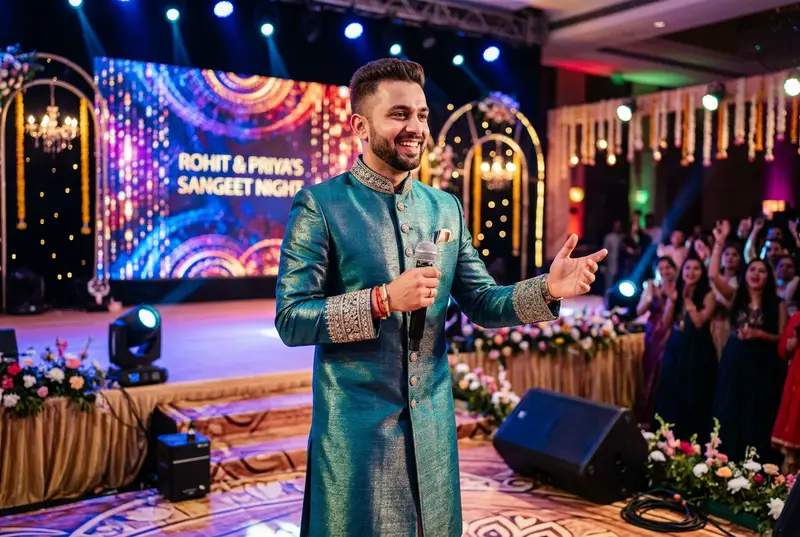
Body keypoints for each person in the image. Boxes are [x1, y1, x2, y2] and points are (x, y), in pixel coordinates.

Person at [275, 58, 607, 537]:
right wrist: (382, 299)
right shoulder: (321, 205)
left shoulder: (443, 205)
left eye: (422, 115)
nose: (415, 127)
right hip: (357, 433)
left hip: (432, 426)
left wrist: (547, 288)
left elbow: (484, 303)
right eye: (399, 115)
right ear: (360, 127)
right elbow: (291, 318)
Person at [712, 259, 786, 463]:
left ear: (768, 277)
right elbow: (714, 277)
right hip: (735, 360)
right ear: (745, 274)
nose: (756, 274)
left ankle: (755, 462)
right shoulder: (737, 297)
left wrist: (759, 334)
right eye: (752, 269)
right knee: (732, 406)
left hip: (762, 363)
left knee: (757, 409)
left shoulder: (777, 303)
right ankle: (727, 459)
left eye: (762, 271)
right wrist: (719, 243)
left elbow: (782, 337)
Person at [655, 255, 718, 441]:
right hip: (677, 345)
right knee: (672, 390)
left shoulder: (709, 295)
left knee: (695, 392)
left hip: (698, 348)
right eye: (687, 268)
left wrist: (689, 303)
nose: (691, 272)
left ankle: (693, 437)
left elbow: (699, 323)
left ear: (702, 273)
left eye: (696, 269)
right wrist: (673, 300)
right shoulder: (676, 291)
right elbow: (666, 323)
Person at [633, 256, 677, 430]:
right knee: (650, 373)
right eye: (661, 267)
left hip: (670, 331)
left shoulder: (678, 287)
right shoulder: (652, 286)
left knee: (664, 373)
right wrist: (650, 295)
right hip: (653, 334)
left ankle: (662, 417)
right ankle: (646, 415)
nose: (665, 271)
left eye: (668, 267)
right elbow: (639, 311)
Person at [771, 310, 800, 474]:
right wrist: (794, 341)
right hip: (796, 387)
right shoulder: (797, 318)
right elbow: (783, 349)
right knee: (791, 458)